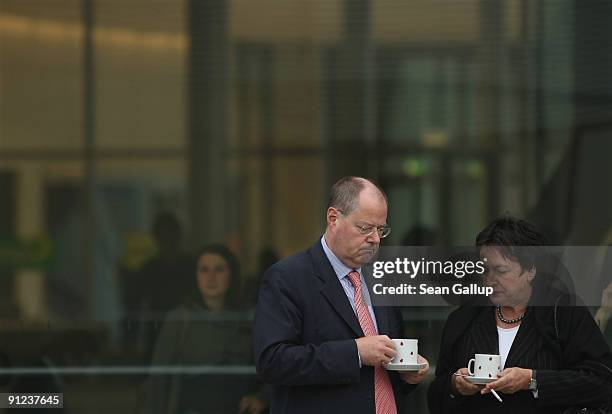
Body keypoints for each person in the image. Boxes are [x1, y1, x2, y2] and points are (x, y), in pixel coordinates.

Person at [254, 176, 429, 414]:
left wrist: (407, 373)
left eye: (381, 229)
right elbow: (273, 362)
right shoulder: (288, 278)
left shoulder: (381, 277)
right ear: (333, 218)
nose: (375, 239)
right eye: (365, 228)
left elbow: (382, 370)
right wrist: (355, 353)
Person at [428, 216, 612, 414]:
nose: (490, 280)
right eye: (485, 270)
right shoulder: (464, 319)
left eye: (500, 271)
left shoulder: (564, 312)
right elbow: (436, 396)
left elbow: (601, 381)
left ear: (530, 270)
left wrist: (532, 380)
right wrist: (455, 386)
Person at [143, 244, 267, 414]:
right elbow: (158, 381)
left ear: (232, 274)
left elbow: (274, 368)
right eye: (204, 270)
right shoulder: (180, 320)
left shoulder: (247, 320)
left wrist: (262, 397)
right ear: (195, 275)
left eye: (219, 269)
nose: (211, 277)